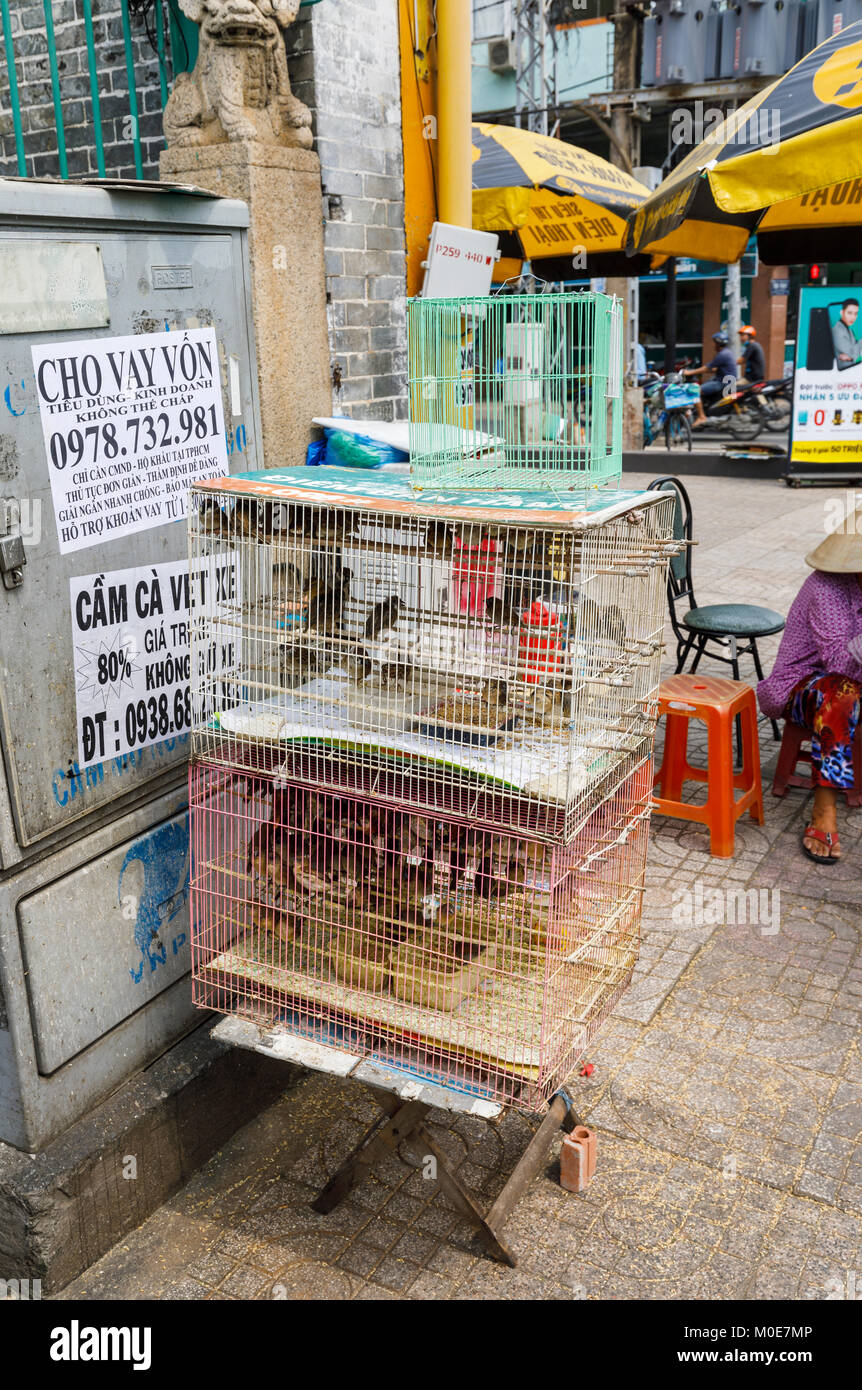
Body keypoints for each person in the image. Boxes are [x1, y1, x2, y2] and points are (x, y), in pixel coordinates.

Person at [757, 507, 862, 863]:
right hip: (800, 686)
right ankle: (824, 808)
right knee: (842, 694)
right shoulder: (826, 587)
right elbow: (841, 664)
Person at [682, 332, 737, 426]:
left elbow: (707, 368)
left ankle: (701, 416)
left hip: (722, 382)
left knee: (695, 390)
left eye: (715, 343)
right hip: (725, 380)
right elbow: (713, 368)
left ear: (718, 343)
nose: (714, 345)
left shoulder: (722, 354)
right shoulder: (727, 352)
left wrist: (689, 372)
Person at [832, 298, 861, 371]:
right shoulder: (837, 330)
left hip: (850, 370)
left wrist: (851, 356)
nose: (853, 317)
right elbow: (852, 354)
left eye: (855, 313)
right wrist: (852, 355)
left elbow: (854, 353)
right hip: (843, 373)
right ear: (842, 312)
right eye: (850, 313)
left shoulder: (849, 329)